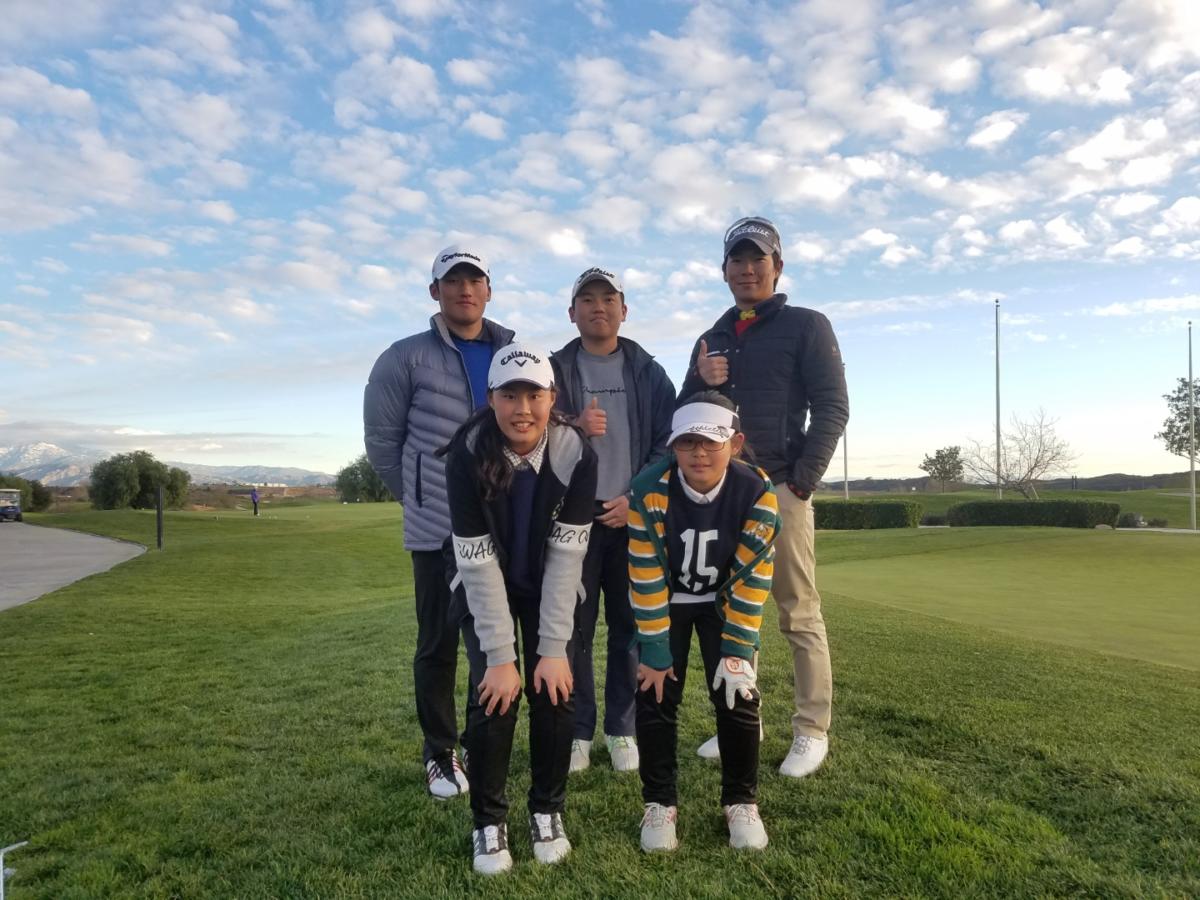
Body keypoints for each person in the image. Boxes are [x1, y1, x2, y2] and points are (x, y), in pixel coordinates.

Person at [681, 216, 848, 778]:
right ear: (724, 269)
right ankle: (741, 722)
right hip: (723, 492)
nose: (747, 269)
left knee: (797, 611)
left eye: (759, 259)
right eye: (738, 259)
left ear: (777, 267)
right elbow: (686, 417)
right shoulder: (712, 336)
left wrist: (801, 481)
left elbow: (833, 407)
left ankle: (811, 729)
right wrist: (701, 379)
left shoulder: (807, 326)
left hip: (780, 488)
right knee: (732, 613)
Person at [364, 245, 515, 799]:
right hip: (435, 530)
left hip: (497, 526)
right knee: (437, 644)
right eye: (453, 281)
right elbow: (383, 444)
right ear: (435, 291)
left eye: (475, 280)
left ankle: (477, 741)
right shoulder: (403, 358)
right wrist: (420, 498)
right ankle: (440, 752)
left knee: (491, 641)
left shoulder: (511, 351)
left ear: (489, 290)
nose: (465, 290)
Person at [441, 343, 597, 875]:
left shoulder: (577, 453)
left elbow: (568, 555)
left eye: (534, 394)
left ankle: (547, 810)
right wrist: (501, 656)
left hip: (550, 578)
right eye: (510, 395)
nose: (523, 409)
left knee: (555, 687)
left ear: (553, 397)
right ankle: (488, 821)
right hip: (485, 579)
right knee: (495, 691)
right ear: (491, 399)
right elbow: (477, 560)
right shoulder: (466, 452)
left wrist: (551, 650)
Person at [628, 392, 780, 852]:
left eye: (711, 442)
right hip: (669, 598)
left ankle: (741, 800)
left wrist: (738, 649)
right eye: (687, 442)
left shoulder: (757, 491)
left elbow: (753, 575)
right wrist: (655, 649)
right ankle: (659, 802)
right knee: (654, 691)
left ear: (735, 444)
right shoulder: (648, 489)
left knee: (738, 691)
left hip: (723, 601)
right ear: (673, 444)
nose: (698, 453)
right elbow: (645, 572)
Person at [550, 266, 675, 774]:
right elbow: (530, 427)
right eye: (587, 299)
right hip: (574, 520)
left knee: (629, 627)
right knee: (574, 629)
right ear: (572, 312)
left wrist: (635, 498)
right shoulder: (554, 370)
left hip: (632, 519)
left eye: (608, 298)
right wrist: (572, 424)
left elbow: (669, 443)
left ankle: (622, 729)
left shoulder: (648, 372)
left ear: (624, 309)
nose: (598, 307)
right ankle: (578, 731)